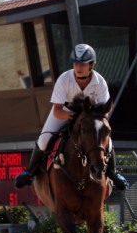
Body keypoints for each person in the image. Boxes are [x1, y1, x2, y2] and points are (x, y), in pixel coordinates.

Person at [14, 44, 129, 190]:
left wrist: (94, 121)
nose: (78, 67)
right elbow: (57, 110)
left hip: (91, 116)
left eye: (82, 63)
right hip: (66, 112)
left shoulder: (100, 82)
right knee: (43, 140)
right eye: (75, 63)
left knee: (108, 142)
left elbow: (104, 112)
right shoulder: (64, 79)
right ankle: (29, 172)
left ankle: (113, 173)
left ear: (91, 65)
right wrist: (73, 115)